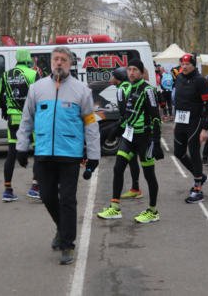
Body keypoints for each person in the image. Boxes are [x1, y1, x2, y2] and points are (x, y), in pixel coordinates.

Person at [16, 46, 100, 265]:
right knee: (47, 196)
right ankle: (62, 230)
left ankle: (67, 245)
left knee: (68, 200)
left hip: (69, 155)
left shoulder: (81, 91)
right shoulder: (37, 88)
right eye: (56, 59)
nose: (59, 63)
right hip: (43, 152)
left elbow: (91, 125)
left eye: (63, 59)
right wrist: (21, 147)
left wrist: (93, 156)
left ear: (70, 64)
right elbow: (27, 119)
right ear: (51, 62)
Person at [97, 58, 164, 222]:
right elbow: (127, 115)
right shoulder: (129, 88)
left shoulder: (147, 90)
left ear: (141, 72)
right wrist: (116, 130)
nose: (132, 72)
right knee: (118, 168)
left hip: (145, 138)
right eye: (129, 69)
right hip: (130, 137)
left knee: (149, 175)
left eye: (135, 69)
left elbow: (156, 117)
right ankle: (114, 208)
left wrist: (156, 141)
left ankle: (153, 211)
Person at [0, 49, 40, 202]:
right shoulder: (32, 74)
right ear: (28, 58)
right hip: (31, 119)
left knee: (12, 154)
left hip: (13, 119)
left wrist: (5, 109)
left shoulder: (6, 75)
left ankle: (7, 190)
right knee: (38, 151)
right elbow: (41, 96)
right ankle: (35, 187)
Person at [172, 53, 208, 203]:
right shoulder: (180, 78)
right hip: (181, 120)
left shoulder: (201, 81)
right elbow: (178, 100)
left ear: (194, 65)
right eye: (182, 64)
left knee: (194, 152)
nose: (184, 66)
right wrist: (176, 120)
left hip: (195, 121)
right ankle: (201, 177)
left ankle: (198, 189)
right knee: (178, 152)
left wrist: (205, 128)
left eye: (187, 64)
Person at [107, 67, 142, 199]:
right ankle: (136, 188)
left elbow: (123, 112)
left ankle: (136, 190)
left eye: (112, 76)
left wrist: (118, 128)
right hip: (134, 127)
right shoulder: (129, 85)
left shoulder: (121, 89)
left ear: (118, 78)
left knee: (132, 161)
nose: (110, 79)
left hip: (131, 128)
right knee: (133, 160)